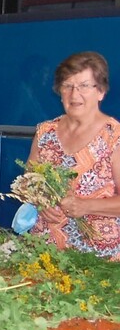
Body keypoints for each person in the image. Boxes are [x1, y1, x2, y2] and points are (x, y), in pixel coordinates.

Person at [28, 52, 120, 261]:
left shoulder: (115, 137)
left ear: (101, 92)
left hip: (99, 260)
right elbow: (28, 182)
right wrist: (40, 202)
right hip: (44, 253)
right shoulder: (45, 132)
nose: (74, 94)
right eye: (67, 86)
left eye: (84, 86)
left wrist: (86, 206)